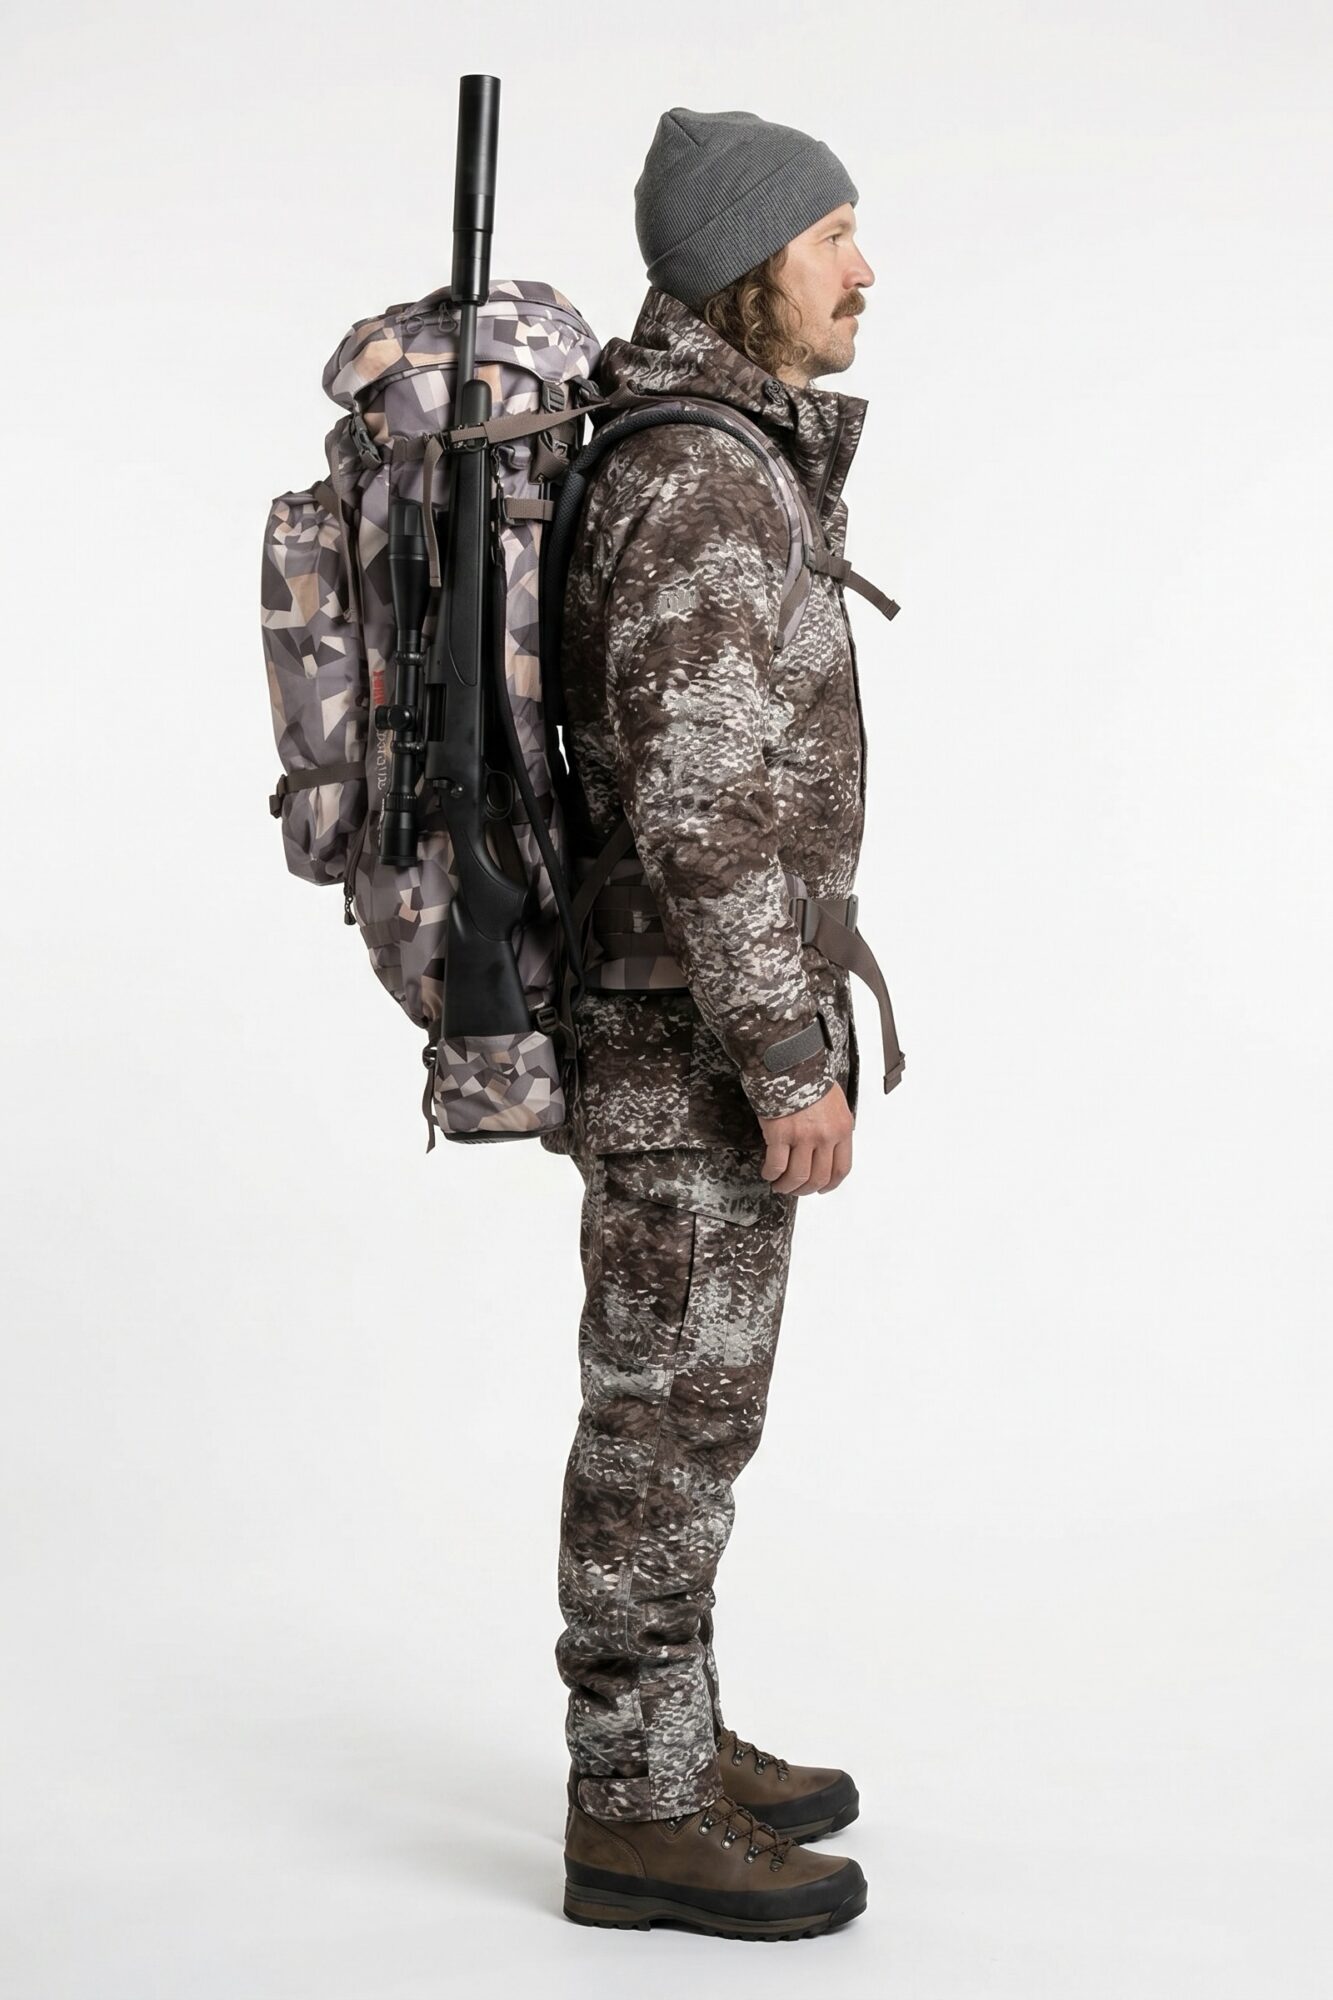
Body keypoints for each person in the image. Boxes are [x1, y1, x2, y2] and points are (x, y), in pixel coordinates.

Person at [540, 106, 882, 1941]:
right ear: (747, 263)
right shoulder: (694, 478)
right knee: (662, 1428)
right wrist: (787, 1059)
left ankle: (671, 1742)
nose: (861, 272)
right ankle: (632, 1808)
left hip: (699, 1035)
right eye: (831, 236)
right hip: (688, 1050)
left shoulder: (722, 454)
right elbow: (697, 808)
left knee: (692, 1417)